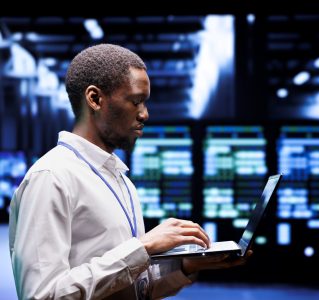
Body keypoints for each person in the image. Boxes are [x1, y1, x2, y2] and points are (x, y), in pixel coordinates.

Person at [9, 43, 250, 299]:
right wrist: (142, 247)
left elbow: (135, 288)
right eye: (136, 101)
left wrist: (184, 266)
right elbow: (43, 295)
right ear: (95, 98)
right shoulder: (52, 178)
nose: (145, 114)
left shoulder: (119, 179)